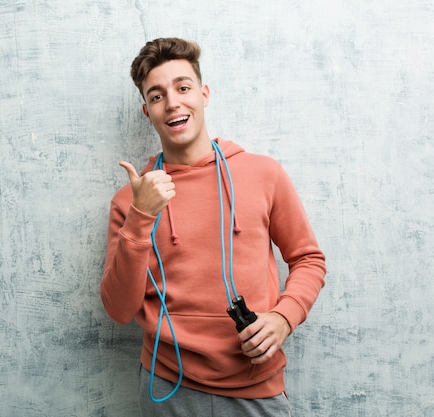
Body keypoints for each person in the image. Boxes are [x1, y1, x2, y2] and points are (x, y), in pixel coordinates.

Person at [100, 37, 326, 417]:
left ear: (203, 94)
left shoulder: (263, 174)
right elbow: (120, 310)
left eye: (183, 88)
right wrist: (141, 218)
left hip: (255, 386)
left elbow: (308, 259)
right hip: (167, 389)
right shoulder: (131, 201)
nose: (172, 102)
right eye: (157, 96)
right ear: (147, 111)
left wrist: (283, 317)